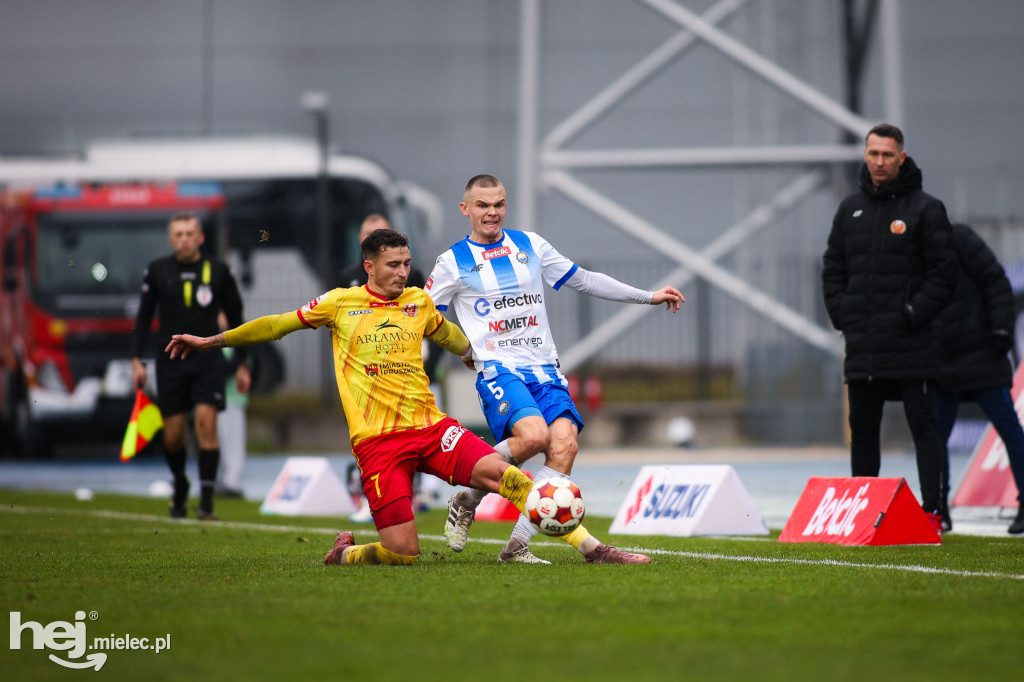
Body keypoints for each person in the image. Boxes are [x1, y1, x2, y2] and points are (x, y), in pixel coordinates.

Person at [166, 229, 649, 565]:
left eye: (406, 263)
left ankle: (592, 549)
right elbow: (275, 326)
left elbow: (450, 335)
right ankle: (345, 553)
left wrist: (472, 356)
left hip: (431, 428)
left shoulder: (418, 302)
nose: (403, 272)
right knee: (402, 553)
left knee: (513, 479)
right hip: (378, 443)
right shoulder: (339, 304)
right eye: (394, 265)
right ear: (369, 266)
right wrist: (211, 341)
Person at [426, 174, 684, 563]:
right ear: (466, 210)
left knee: (564, 445)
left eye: (498, 204)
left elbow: (584, 280)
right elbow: (425, 317)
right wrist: (462, 345)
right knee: (533, 437)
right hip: (500, 370)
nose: (491, 212)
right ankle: (467, 496)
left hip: (545, 368)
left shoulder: (530, 245)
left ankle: (514, 546)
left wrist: (647, 296)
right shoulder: (451, 262)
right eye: (482, 205)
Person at [822, 123, 957, 531]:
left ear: (901, 157)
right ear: (864, 155)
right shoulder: (850, 209)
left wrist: (912, 313)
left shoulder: (925, 209)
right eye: (873, 153)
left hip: (910, 343)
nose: (879, 161)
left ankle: (932, 512)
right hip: (863, 346)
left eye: (887, 154)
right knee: (863, 432)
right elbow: (832, 268)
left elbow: (945, 274)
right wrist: (841, 315)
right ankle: (865, 515)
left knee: (923, 429)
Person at [132, 212, 251, 521]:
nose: (184, 239)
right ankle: (181, 483)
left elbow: (237, 318)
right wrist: (137, 360)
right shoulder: (157, 271)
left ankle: (208, 502)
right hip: (170, 359)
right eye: (178, 234)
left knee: (206, 425)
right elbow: (144, 318)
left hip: (207, 360)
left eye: (189, 233)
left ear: (200, 237)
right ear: (171, 239)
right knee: (173, 436)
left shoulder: (218, 270)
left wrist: (242, 364)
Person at [339, 213, 440, 519]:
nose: (402, 272)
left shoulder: (413, 280)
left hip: (411, 374)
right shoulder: (347, 281)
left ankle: (416, 491)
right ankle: (372, 493)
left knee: (420, 434)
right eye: (371, 233)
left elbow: (435, 324)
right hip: (368, 380)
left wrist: (456, 355)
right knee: (374, 437)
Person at [932, 223, 1024, 534]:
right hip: (942, 360)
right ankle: (937, 509)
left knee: (1008, 428)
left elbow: (995, 282)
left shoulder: (958, 237)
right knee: (933, 438)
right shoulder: (912, 248)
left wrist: (1000, 333)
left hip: (981, 354)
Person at [215, 311, 249, 498]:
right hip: (217, 401)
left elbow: (231, 367)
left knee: (233, 443)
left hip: (233, 400)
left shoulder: (238, 341)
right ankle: (221, 481)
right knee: (219, 442)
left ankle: (233, 483)